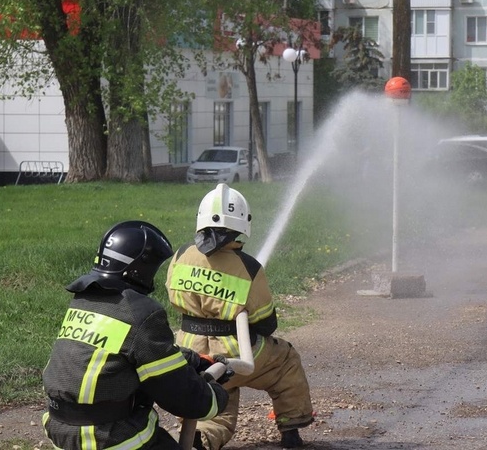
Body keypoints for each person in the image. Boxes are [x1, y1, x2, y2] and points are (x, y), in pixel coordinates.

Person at [43, 220, 230, 450]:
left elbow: (127, 350)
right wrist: (217, 394)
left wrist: (193, 360)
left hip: (62, 431)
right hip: (108, 439)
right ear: (140, 267)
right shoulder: (140, 311)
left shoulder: (85, 301)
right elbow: (182, 395)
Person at [166, 183, 314, 450]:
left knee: (215, 398)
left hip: (189, 352)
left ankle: (201, 438)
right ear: (242, 223)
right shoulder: (248, 267)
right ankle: (291, 432)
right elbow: (267, 323)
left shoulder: (180, 256)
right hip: (235, 351)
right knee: (285, 363)